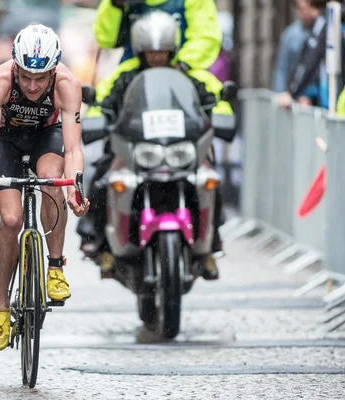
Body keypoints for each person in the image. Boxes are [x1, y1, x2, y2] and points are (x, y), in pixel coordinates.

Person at [78, 11, 234, 280]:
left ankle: (212, 242)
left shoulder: (190, 74)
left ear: (171, 49)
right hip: (137, 149)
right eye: (151, 52)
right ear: (141, 50)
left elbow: (214, 97)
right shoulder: (125, 74)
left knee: (210, 178)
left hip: (180, 150)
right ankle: (98, 240)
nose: (157, 57)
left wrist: (223, 113)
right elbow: (103, 99)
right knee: (103, 177)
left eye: (162, 52)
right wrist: (96, 117)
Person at [0, 24, 90, 351]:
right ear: (15, 65)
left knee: (53, 179)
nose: (33, 85)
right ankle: (0, 307)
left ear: (53, 71)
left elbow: (74, 149)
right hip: (7, 142)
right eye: (26, 77)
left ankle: (54, 266)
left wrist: (74, 190)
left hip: (46, 137)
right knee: (10, 220)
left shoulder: (67, 84)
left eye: (41, 78)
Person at [93, 0, 222, 68]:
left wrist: (182, 65)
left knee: (217, 103)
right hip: (133, 76)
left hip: (183, 73)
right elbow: (106, 39)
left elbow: (206, 36)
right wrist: (116, 4)